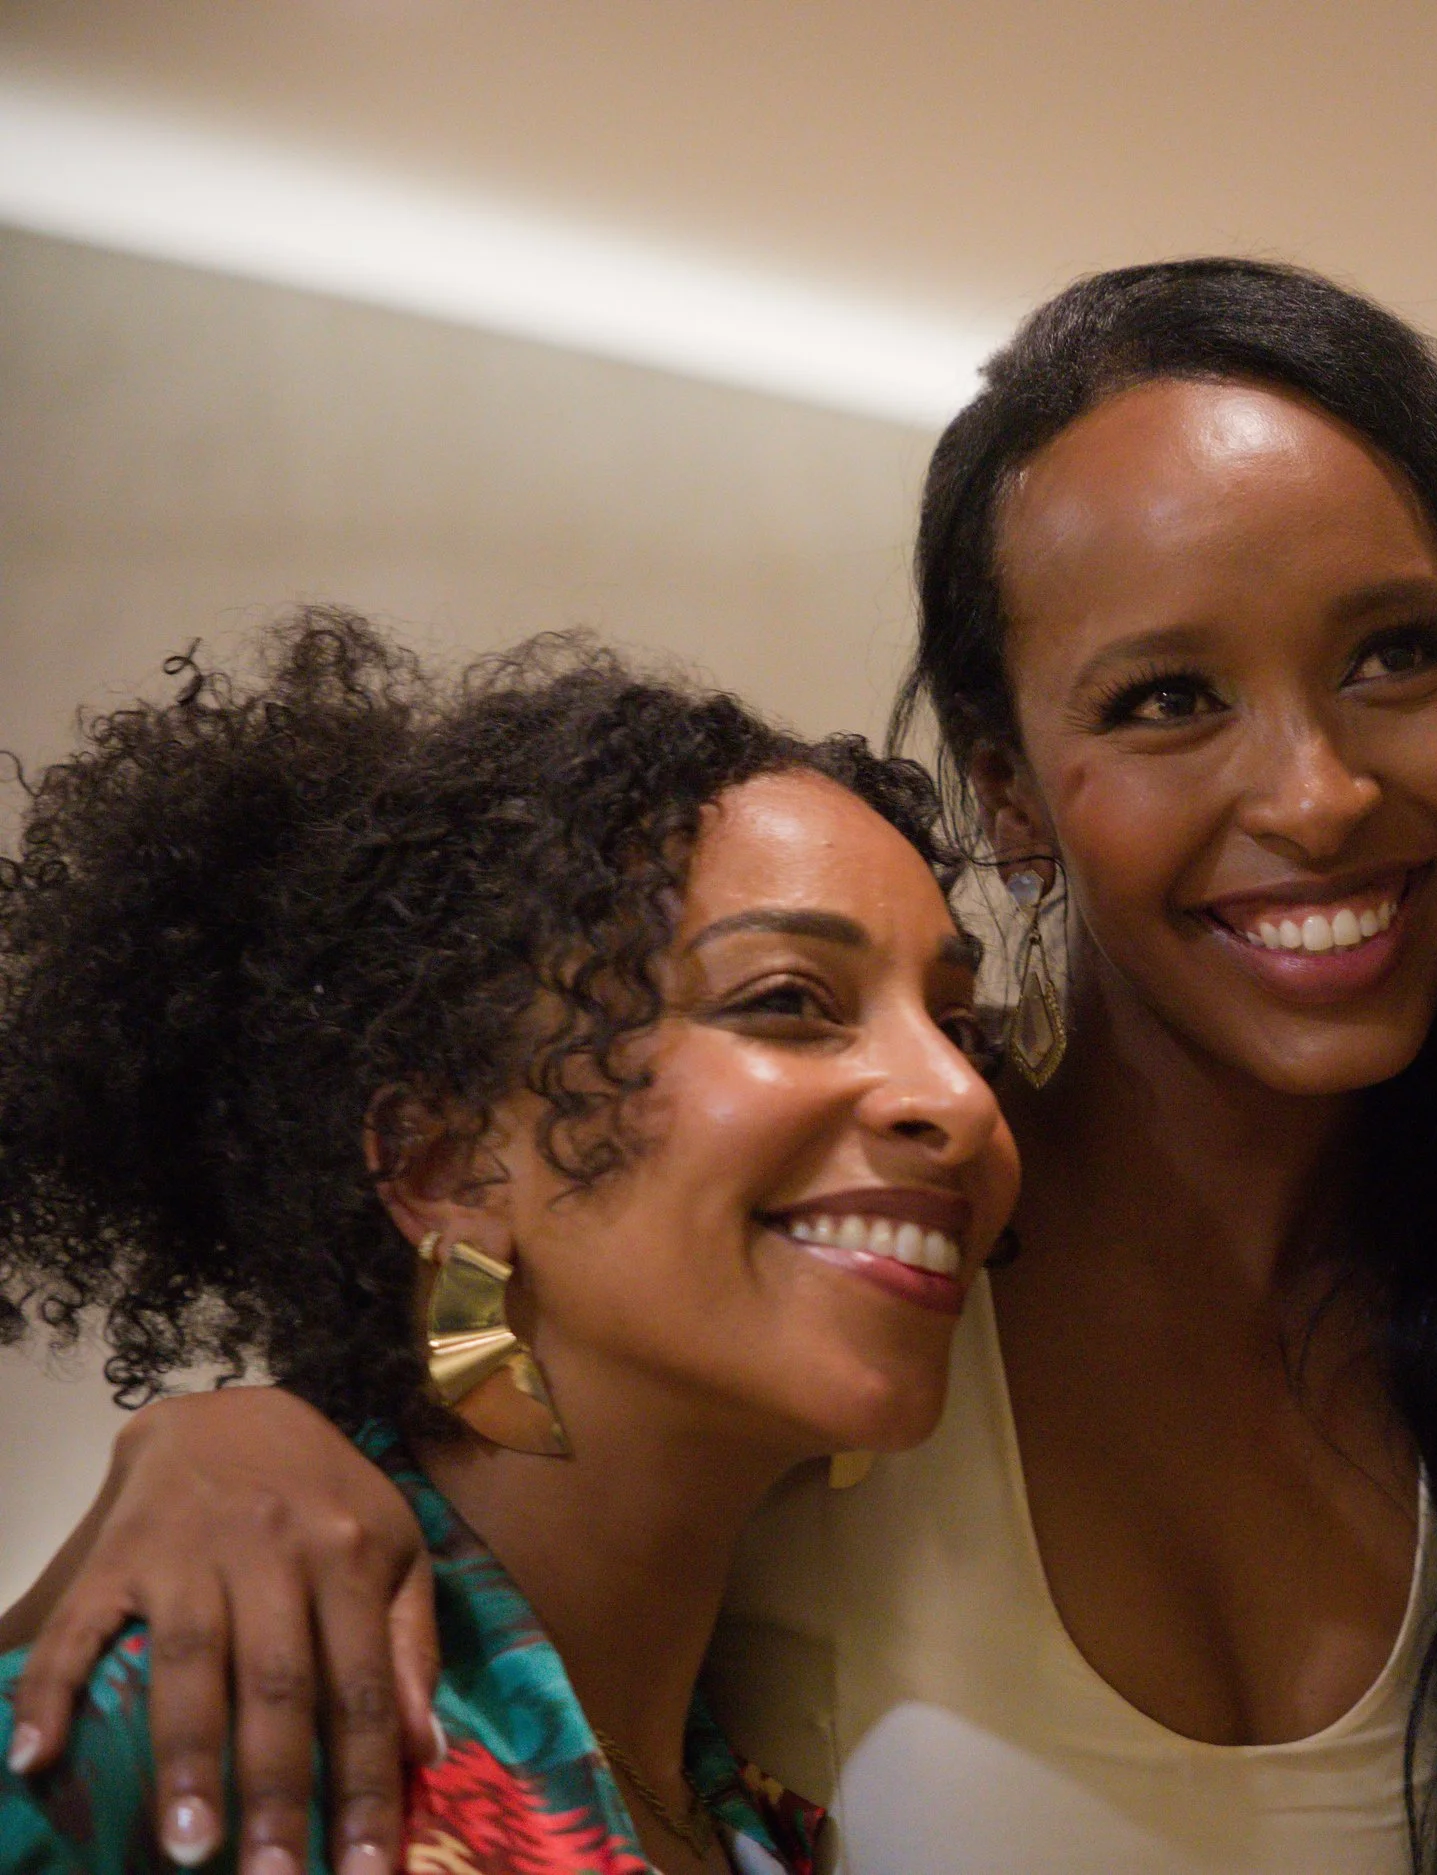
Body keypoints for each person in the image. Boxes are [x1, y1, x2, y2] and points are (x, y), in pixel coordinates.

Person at [0, 263, 1437, 1875]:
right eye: (1170, 696)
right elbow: (505, 1390)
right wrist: (243, 1440)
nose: (1320, 792)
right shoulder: (844, 1329)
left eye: (1398, 655)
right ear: (1007, 791)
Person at [0, 615, 1021, 1873]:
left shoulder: (765, 1823)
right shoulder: (226, 1724)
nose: (961, 1098)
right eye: (788, 1004)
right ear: (444, 1167)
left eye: (960, 1024)